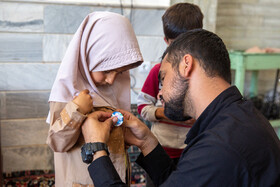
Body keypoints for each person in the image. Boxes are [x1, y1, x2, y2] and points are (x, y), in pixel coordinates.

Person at [81, 29, 280, 186]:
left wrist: (97, 149)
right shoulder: (237, 117)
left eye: (163, 78)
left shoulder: (221, 147)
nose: (159, 93)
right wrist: (148, 143)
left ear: (186, 65)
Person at [46, 12, 143, 186]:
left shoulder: (113, 89)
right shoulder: (68, 91)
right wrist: (76, 111)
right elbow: (57, 142)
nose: (112, 80)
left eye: (119, 72)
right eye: (106, 70)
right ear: (88, 55)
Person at [137, 3, 203, 171]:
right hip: (159, 148)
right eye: (176, 44)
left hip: (193, 151)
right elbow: (142, 107)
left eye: (188, 44)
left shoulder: (202, 75)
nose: (182, 51)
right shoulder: (157, 72)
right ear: (166, 41)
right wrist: (165, 113)